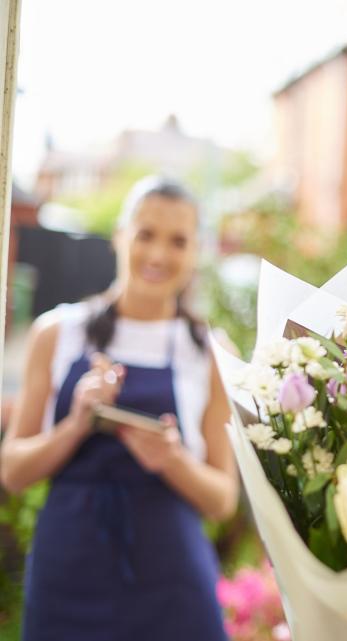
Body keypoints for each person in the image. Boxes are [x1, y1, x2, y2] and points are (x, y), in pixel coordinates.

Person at [0, 176, 238, 641]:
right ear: (120, 236)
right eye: (145, 234)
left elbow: (222, 499)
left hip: (171, 582)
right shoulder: (59, 333)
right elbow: (12, 471)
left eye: (178, 241)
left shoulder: (209, 352)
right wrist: (74, 427)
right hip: (67, 572)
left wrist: (170, 460)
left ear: (196, 252)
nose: (157, 255)